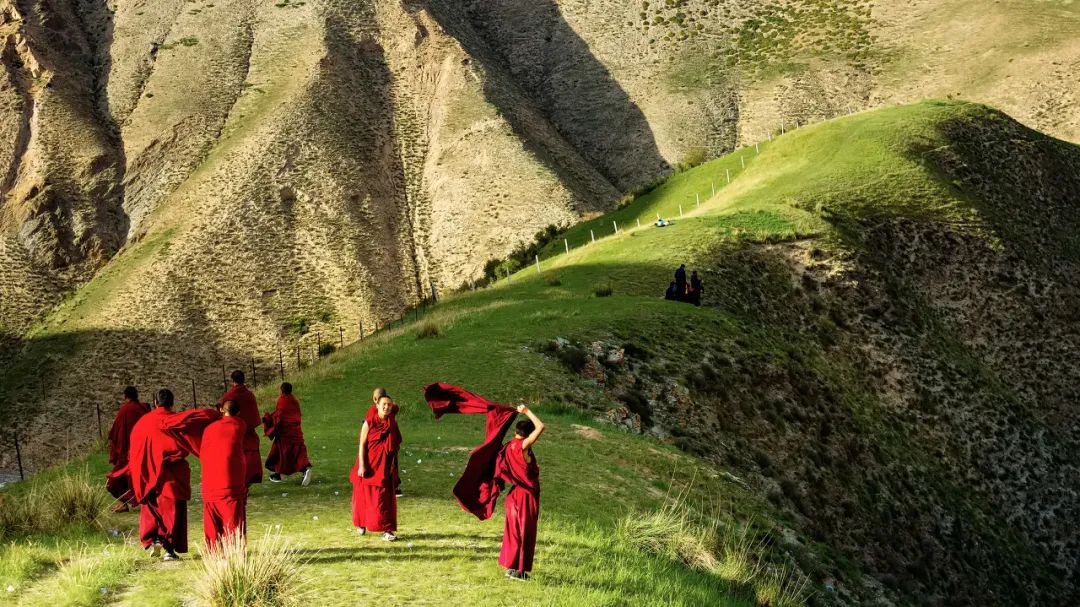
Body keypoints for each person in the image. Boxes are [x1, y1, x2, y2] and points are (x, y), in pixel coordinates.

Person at [129, 389, 192, 561]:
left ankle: (155, 538)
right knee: (171, 511)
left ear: (156, 402)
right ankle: (169, 551)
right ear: (172, 403)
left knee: (153, 508)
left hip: (148, 474)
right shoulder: (176, 420)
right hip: (171, 474)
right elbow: (185, 447)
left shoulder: (143, 422)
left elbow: (134, 449)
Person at [496, 405, 544, 581]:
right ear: (528, 435)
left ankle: (511, 567)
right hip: (526, 496)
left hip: (513, 495)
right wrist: (527, 412)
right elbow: (541, 427)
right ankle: (520, 571)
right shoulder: (523, 446)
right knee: (526, 532)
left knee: (514, 532)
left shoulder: (509, 446)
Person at [351, 395, 402, 541]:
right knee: (362, 496)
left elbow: (395, 443)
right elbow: (362, 444)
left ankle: (387, 531)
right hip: (368, 464)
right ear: (377, 406)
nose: (387, 407)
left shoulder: (392, 422)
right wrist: (362, 465)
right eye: (384, 404)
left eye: (389, 405)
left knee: (384, 499)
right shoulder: (369, 422)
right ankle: (361, 524)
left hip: (384, 466)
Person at [200, 400, 248, 550]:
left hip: (211, 477)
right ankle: (233, 550)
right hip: (231, 478)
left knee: (212, 516)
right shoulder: (240, 425)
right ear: (238, 413)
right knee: (232, 517)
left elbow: (203, 451)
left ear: (221, 409)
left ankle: (214, 550)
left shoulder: (209, 429)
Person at [105, 386, 150, 511]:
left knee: (115, 480)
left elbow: (115, 433)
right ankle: (146, 500)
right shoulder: (144, 408)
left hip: (127, 453)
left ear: (125, 396)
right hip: (143, 451)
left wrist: (117, 450)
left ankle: (124, 503)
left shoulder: (124, 410)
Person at [263, 382, 312, 485]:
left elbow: (279, 415)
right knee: (297, 453)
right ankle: (304, 470)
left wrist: (268, 419)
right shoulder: (294, 401)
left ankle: (277, 475)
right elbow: (296, 415)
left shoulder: (282, 400)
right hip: (296, 431)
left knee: (280, 452)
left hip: (285, 433)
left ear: (281, 390)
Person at [219, 370, 262, 486]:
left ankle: (239, 482)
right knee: (249, 455)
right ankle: (246, 482)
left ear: (232, 381)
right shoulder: (249, 394)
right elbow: (253, 412)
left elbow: (224, 412)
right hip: (248, 430)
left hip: (234, 430)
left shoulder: (229, 396)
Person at [371, 387, 403, 497]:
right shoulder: (391, 409)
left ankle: (391, 487)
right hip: (388, 443)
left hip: (386, 443)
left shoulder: (373, 411)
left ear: (375, 398)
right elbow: (396, 407)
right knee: (392, 464)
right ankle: (395, 487)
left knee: (388, 465)